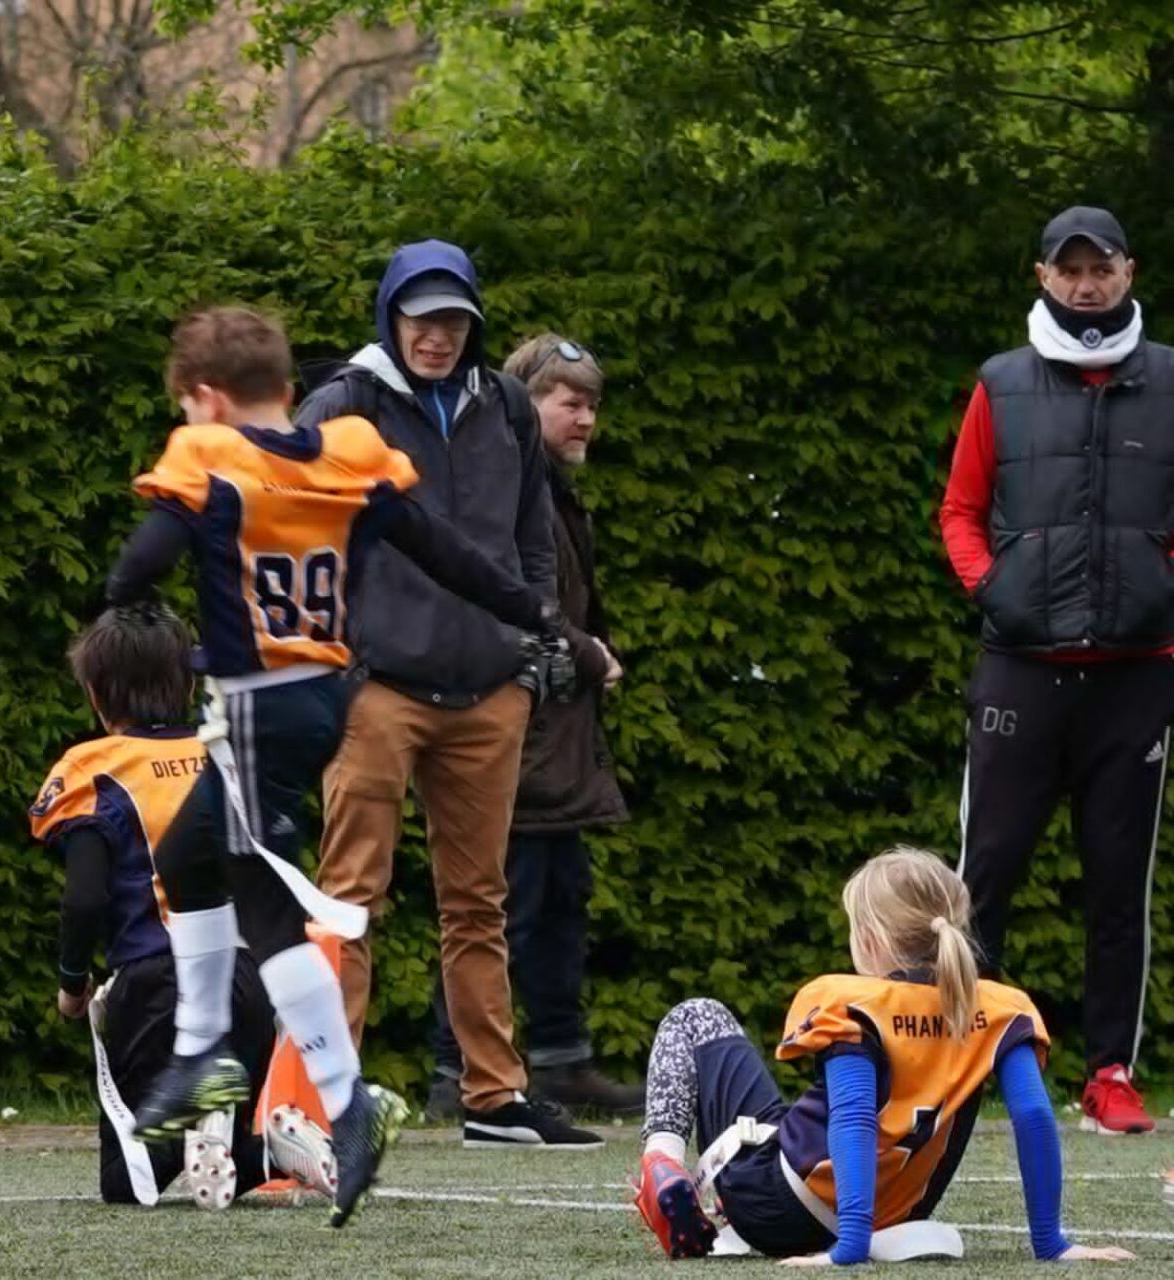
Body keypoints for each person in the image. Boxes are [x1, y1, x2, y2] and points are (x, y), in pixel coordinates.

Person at [105, 304, 572, 1226]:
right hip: (325, 700)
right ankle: (206, 1050)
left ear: (206, 397)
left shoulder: (212, 456)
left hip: (256, 704)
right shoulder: (347, 454)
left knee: (267, 906)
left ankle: (338, 1099)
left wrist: (155, 582)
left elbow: (134, 571)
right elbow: (446, 553)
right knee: (189, 854)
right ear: (286, 388)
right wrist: (535, 611)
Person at [299, 242, 600, 1149]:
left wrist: (533, 643)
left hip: (488, 688)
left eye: (454, 320)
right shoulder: (345, 403)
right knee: (349, 898)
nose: (437, 335)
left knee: (479, 903)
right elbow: (292, 530)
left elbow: (531, 535)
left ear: (474, 324)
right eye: (422, 318)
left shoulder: (504, 404)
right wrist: (332, 662)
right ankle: (322, 1103)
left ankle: (493, 1097)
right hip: (376, 689)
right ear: (390, 315)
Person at [938, 205, 1174, 1137]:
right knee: (981, 876)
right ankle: (954, 1059)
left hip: (1136, 675)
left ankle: (1110, 1073)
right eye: (1068, 269)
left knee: (1120, 884)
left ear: (1127, 272)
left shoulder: (1171, 380)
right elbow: (960, 510)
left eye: (1100, 267)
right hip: (1020, 670)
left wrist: (1160, 590)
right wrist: (993, 589)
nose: (1085, 284)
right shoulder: (1001, 382)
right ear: (1042, 277)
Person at [631, 848, 1134, 1267]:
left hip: (778, 1207)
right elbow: (1033, 1117)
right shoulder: (1000, 1009)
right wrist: (1051, 1242)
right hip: (896, 1213)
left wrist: (849, 1247)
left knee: (697, 1016)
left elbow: (853, 1117)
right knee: (790, 1121)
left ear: (870, 939)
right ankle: (836, 1221)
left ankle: (664, 1162)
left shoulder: (858, 1006)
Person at [35, 603, 337, 1209]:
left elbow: (85, 897)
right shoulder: (229, 758)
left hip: (158, 979)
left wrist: (72, 984)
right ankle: (273, 1148)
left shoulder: (93, 768)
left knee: (127, 1181)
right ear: (191, 685)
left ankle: (217, 1123)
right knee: (219, 1156)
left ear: (95, 693)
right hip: (248, 978)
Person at [425, 335, 640, 1120]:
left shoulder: (547, 487)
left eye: (593, 405)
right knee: (494, 899)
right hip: (511, 722)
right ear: (526, 403)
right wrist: (586, 653)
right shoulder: (504, 486)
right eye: (570, 402)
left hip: (554, 732)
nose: (586, 419)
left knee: (557, 897)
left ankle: (558, 1059)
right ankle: (456, 1071)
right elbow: (506, 595)